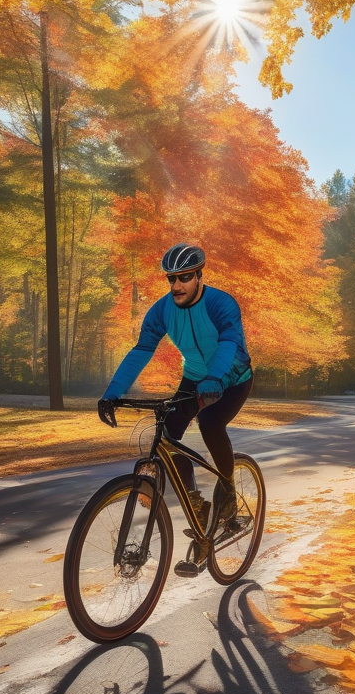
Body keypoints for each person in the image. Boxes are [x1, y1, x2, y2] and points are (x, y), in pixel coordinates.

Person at [98, 243, 253, 576]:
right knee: (168, 433)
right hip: (196, 377)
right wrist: (113, 393)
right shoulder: (162, 310)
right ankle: (197, 505)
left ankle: (226, 491)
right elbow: (142, 350)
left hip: (233, 377)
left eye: (184, 277)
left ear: (199, 275)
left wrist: (215, 378)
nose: (177, 285)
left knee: (211, 422)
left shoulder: (221, 304)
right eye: (172, 279)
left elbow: (228, 343)